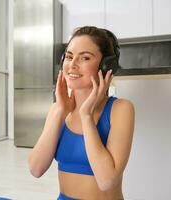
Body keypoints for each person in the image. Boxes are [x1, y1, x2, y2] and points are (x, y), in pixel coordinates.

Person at [28, 26, 135, 200]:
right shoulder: (57, 109)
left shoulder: (120, 109)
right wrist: (60, 112)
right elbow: (35, 169)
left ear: (106, 65)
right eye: (69, 57)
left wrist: (86, 116)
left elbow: (107, 181)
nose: (73, 64)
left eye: (85, 57)